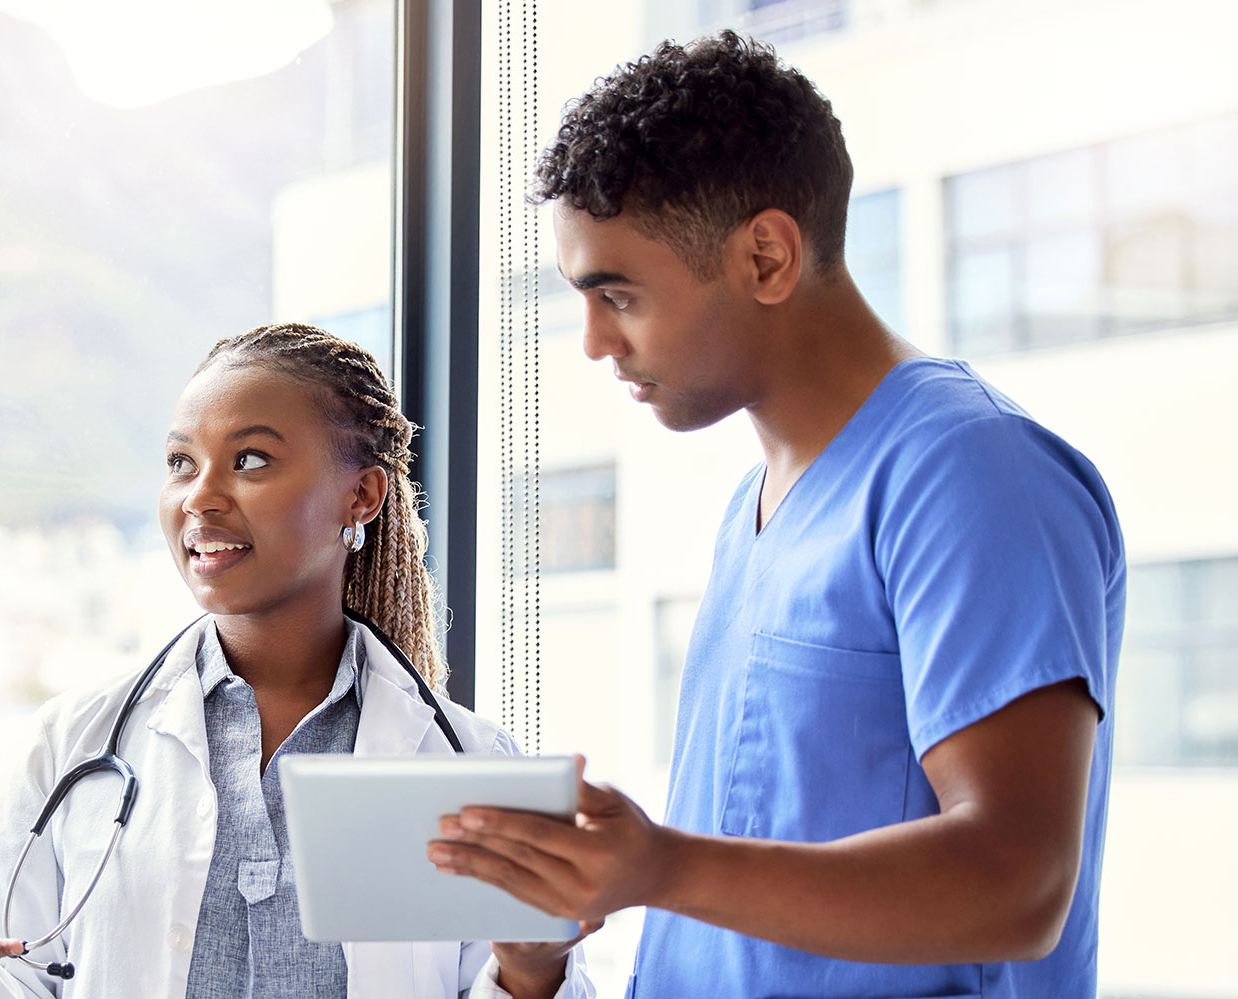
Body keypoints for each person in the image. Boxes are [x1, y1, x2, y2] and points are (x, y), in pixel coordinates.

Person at [427, 31, 1125, 998]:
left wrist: (659, 864)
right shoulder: (750, 513)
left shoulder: (973, 474)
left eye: (618, 294)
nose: (593, 342)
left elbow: (1019, 883)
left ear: (765, 254)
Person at [0, 324, 596, 999]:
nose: (200, 496)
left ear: (362, 494)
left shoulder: (466, 762)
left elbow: (522, 974)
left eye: (250, 459)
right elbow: (14, 973)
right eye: (181, 462)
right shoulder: (71, 745)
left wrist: (534, 966)